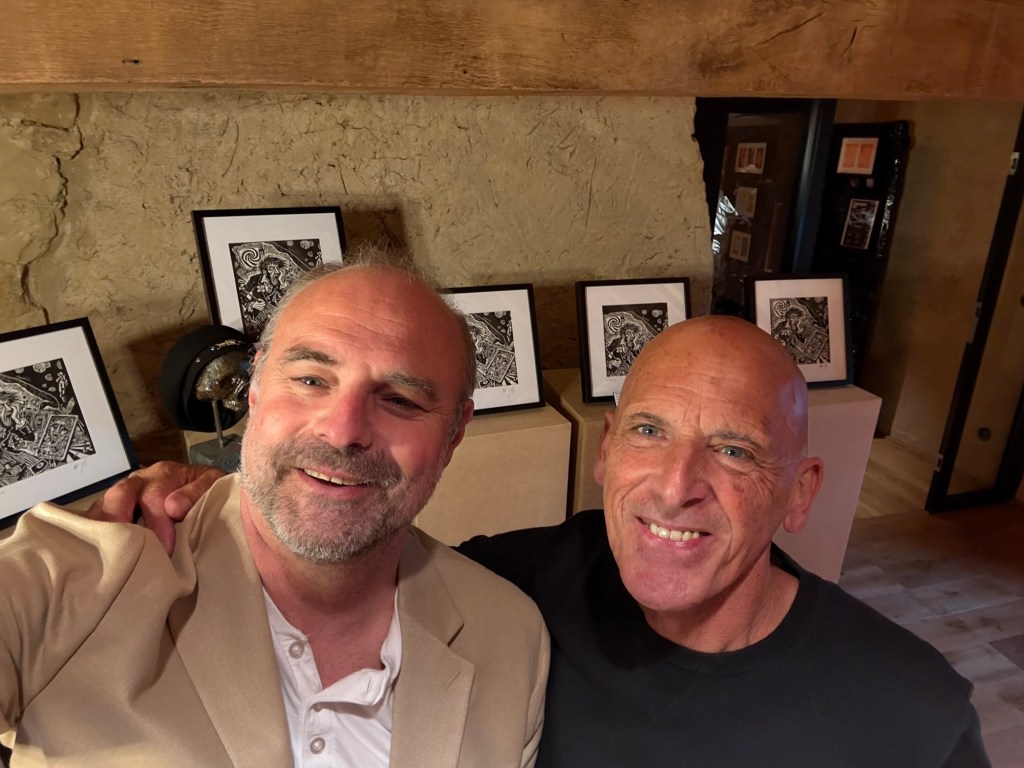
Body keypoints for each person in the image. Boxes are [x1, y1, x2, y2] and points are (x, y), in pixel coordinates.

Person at [88, 316, 990, 767]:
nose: (675, 485)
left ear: (801, 493)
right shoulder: (504, 589)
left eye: (735, 450)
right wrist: (209, 502)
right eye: (649, 432)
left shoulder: (910, 714)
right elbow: (328, 554)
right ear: (607, 450)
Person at [0, 261, 549, 767]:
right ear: (257, 387)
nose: (343, 430)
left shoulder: (510, 636)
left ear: (454, 434)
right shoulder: (82, 574)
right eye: (311, 380)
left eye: (401, 400)